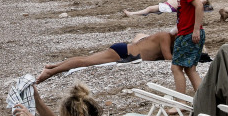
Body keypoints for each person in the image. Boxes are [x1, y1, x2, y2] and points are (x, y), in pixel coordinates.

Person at [36, 32, 176, 83]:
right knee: (86, 62)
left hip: (124, 50)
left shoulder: (163, 37)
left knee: (86, 59)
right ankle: (51, 72)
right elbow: (168, 58)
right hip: (123, 52)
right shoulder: (165, 37)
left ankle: (53, 66)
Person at [165, 0, 204, 96]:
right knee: (189, 68)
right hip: (186, 32)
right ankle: (203, 99)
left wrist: (196, 29)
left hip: (188, 33)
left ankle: (180, 102)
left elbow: (199, 5)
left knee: (176, 67)